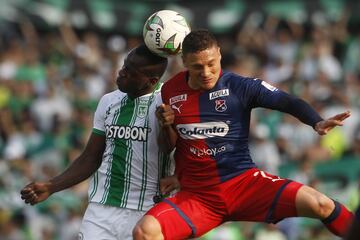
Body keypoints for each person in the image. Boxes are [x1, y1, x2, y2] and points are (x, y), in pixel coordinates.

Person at [133, 30, 354, 239]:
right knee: (145, 232)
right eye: (197, 67)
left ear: (219, 53)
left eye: (211, 64)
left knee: (321, 204)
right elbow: (167, 146)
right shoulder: (170, 91)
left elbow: (285, 100)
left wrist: (315, 120)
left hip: (244, 185)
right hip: (199, 197)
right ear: (184, 63)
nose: (207, 72)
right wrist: (166, 125)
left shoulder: (239, 86)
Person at [20, 44, 178, 240]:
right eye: (124, 66)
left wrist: (166, 125)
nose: (121, 73)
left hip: (148, 210)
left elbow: (167, 148)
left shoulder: (168, 102)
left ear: (151, 80)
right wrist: (52, 186)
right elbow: (91, 157)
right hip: (103, 208)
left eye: (130, 71)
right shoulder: (108, 101)